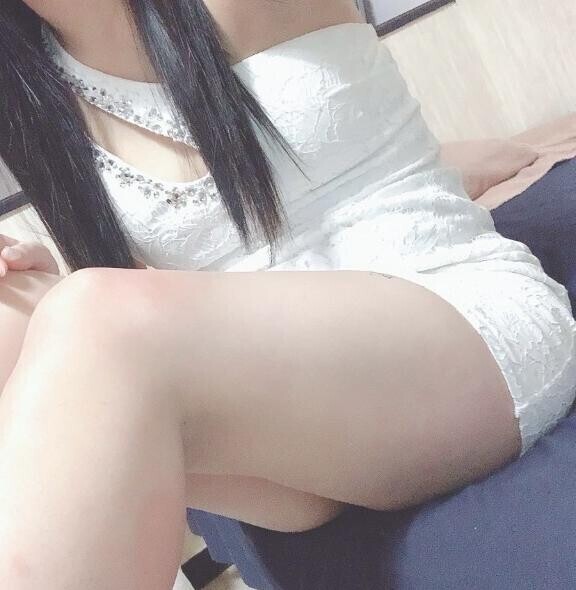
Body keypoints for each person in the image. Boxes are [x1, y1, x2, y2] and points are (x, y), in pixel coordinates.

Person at [0, 1, 574, 589]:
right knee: (12, 314)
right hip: (297, 423)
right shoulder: (32, 87)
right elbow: (163, 302)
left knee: (95, 315)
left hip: (455, 326)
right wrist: (48, 295)